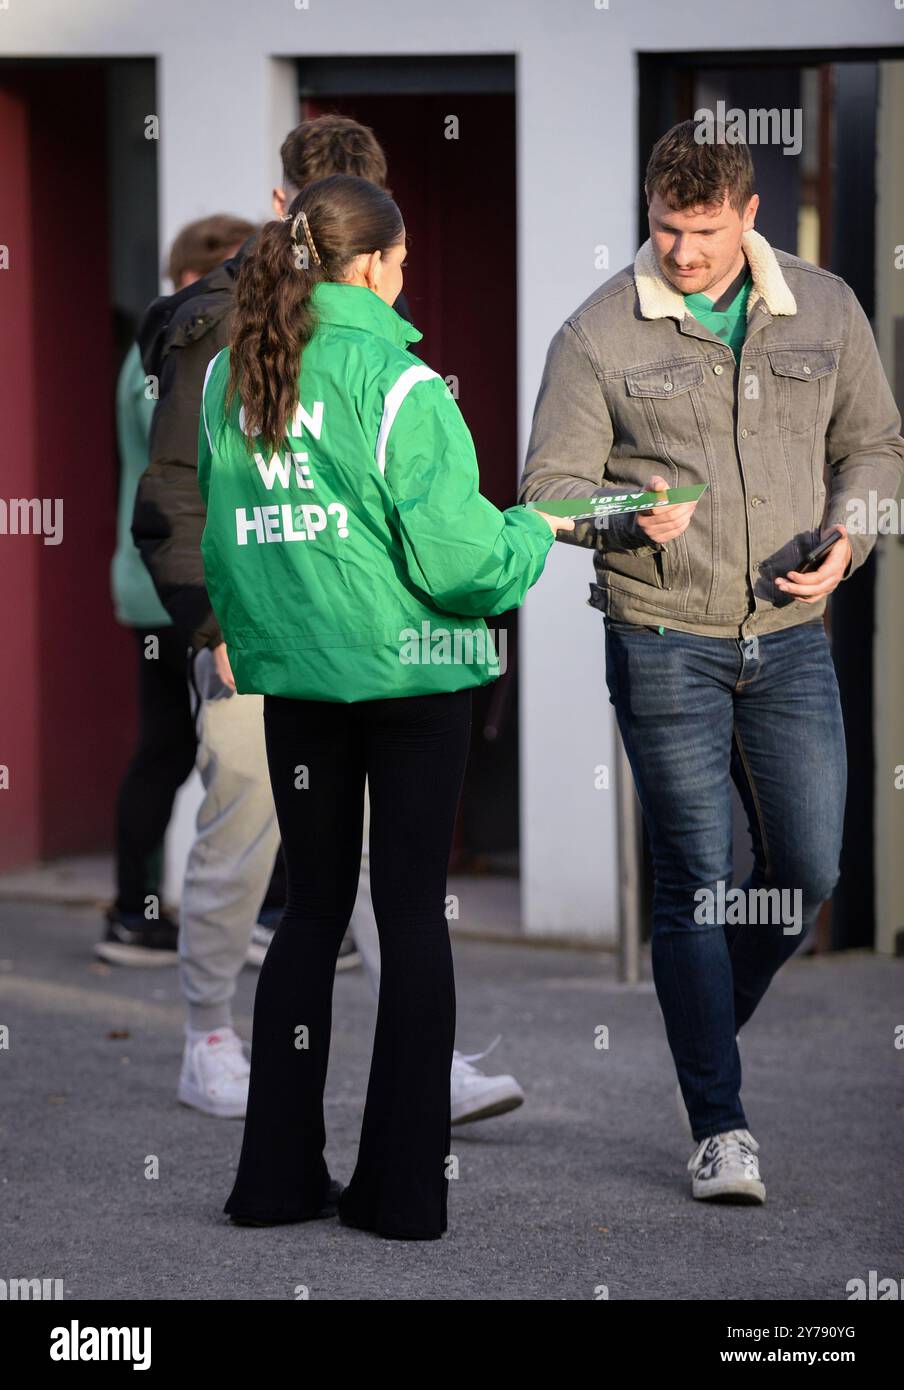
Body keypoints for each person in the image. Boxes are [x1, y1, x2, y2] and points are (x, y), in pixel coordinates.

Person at [519, 120, 904, 1205]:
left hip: (788, 639)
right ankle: (718, 1124)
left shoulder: (823, 306)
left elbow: (875, 446)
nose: (679, 252)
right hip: (661, 638)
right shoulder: (596, 333)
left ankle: (701, 1019)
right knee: (695, 876)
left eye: (700, 230)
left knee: (809, 871)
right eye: (662, 228)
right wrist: (626, 513)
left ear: (746, 215)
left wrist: (850, 536)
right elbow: (546, 491)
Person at [133, 115, 530, 1126]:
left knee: (344, 882)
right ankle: (207, 1034)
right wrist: (210, 625)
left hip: (306, 642)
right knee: (250, 837)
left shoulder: (322, 347)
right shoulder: (223, 335)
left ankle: (413, 1060)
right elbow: (183, 496)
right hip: (253, 635)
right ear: (295, 216)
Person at [199, 173, 570, 1239]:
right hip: (413, 679)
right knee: (409, 920)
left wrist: (249, 640)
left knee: (309, 916)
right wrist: (536, 532)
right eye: (400, 263)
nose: (404, 281)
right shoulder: (403, 386)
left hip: (299, 685)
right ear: (370, 266)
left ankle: (271, 1183)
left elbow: (225, 543)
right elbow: (460, 565)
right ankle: (401, 1193)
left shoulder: (234, 370)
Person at [99, 215, 255, 965]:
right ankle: (135, 912)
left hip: (165, 581)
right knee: (170, 749)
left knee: (181, 746)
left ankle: (144, 910)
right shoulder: (166, 358)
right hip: (168, 586)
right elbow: (187, 460)